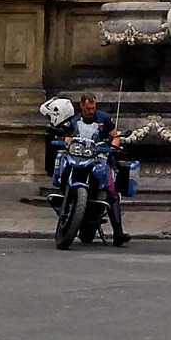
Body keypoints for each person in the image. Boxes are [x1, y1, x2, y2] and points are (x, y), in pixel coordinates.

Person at [66, 93, 130, 246]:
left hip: (99, 158)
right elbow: (68, 136)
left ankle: (118, 233)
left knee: (111, 190)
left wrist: (112, 148)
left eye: (93, 108)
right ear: (81, 106)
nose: (91, 111)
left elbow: (115, 136)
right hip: (79, 157)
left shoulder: (104, 118)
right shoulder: (74, 120)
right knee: (64, 169)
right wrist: (67, 144)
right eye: (88, 108)